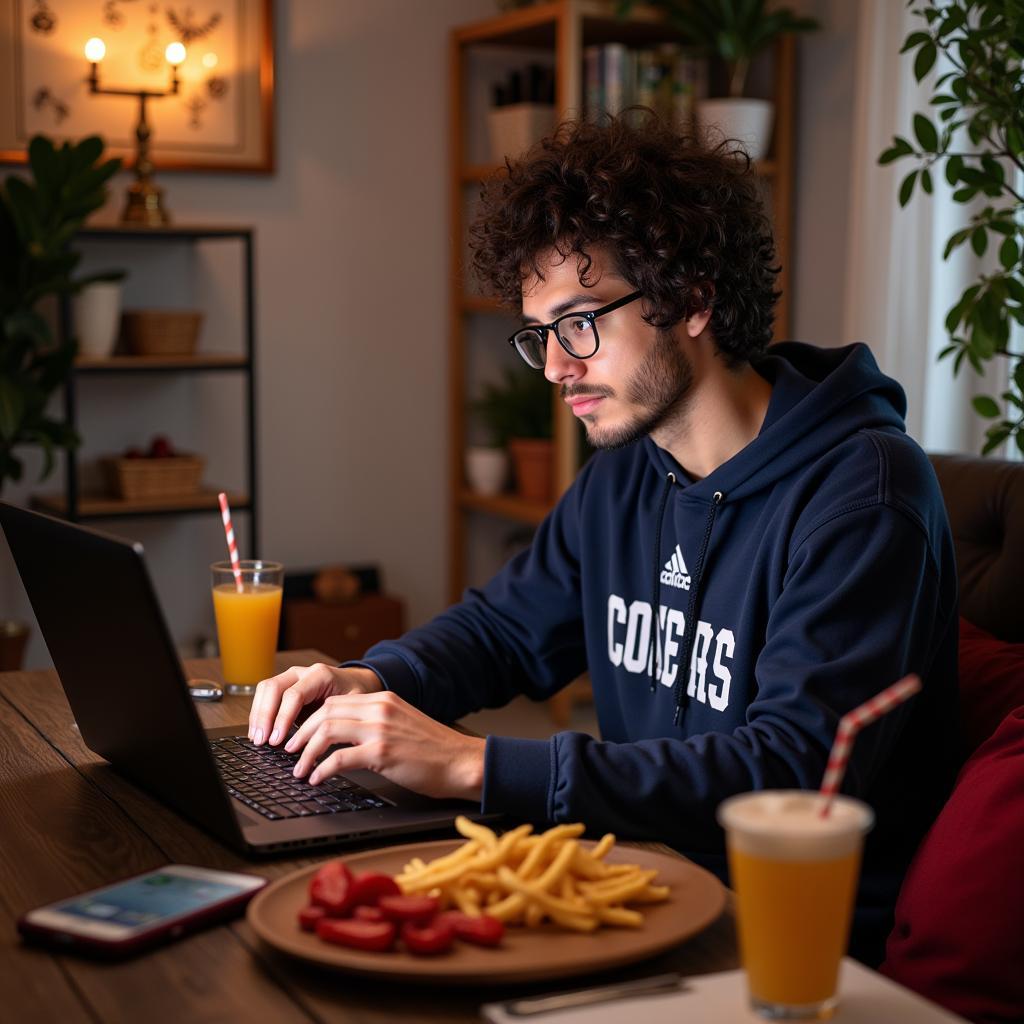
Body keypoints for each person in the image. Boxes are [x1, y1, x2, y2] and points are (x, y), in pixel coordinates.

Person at [248, 113, 960, 966]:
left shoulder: (864, 494)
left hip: (786, 949)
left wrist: (480, 767)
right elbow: (506, 629)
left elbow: (786, 776)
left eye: (580, 323)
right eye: (539, 335)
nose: (555, 368)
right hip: (635, 889)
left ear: (691, 298)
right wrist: (367, 678)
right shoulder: (629, 465)